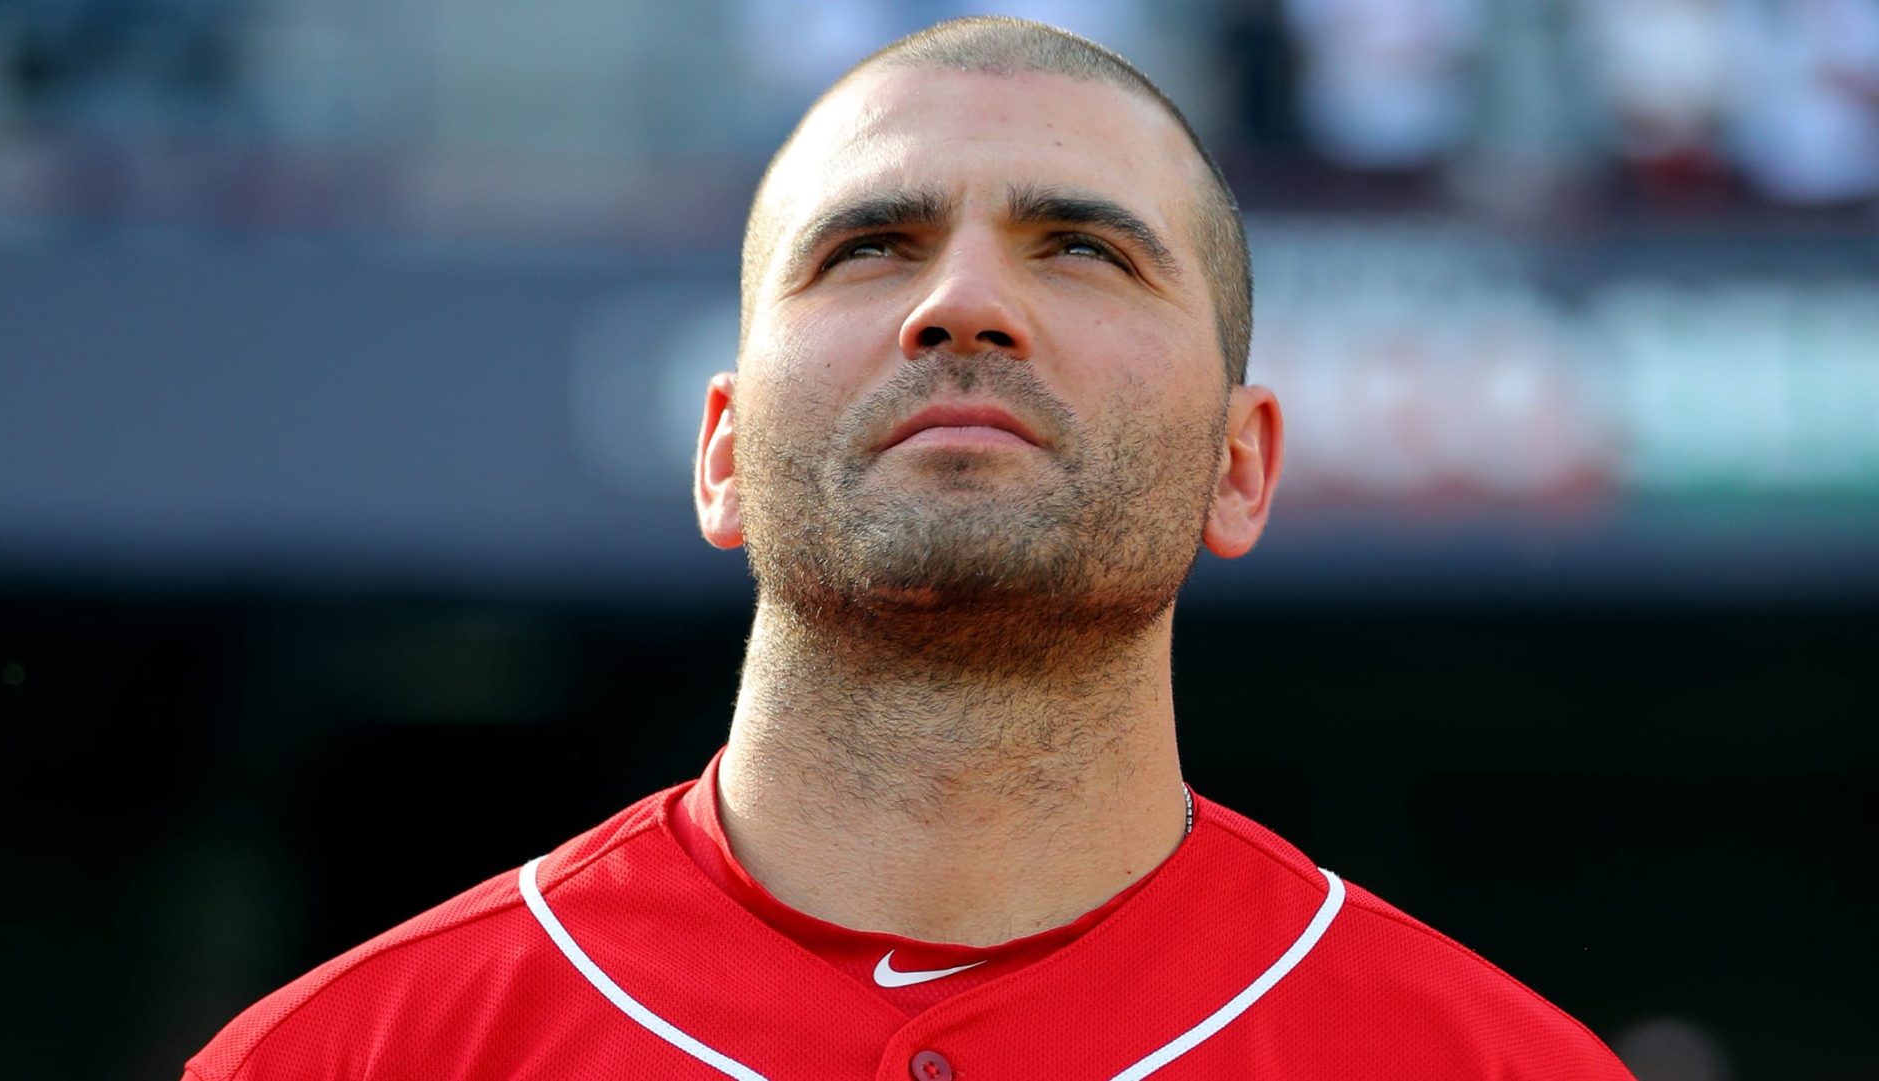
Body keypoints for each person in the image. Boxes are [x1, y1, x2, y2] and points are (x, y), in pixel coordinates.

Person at [185, 17, 1633, 1080]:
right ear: (723, 451)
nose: (962, 305)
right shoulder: (341, 1059)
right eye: (869, 245)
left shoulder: (1500, 1066)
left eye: (1083, 249)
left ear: (1238, 464)